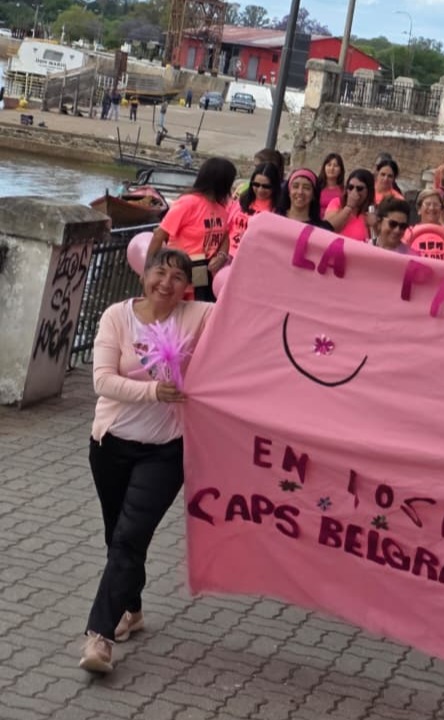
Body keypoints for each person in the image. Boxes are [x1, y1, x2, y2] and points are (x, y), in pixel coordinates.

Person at [79, 248, 215, 674]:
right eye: (160, 272)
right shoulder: (117, 318)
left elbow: (244, 309)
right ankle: (131, 610)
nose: (167, 283)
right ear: (144, 275)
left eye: (178, 277)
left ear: (186, 286)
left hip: (165, 451)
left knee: (129, 538)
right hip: (111, 445)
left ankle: (99, 639)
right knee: (116, 536)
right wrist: (153, 391)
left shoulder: (196, 316)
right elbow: (102, 380)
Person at [147, 157, 237, 302]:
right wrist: (148, 271)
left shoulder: (222, 209)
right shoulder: (188, 203)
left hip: (202, 275)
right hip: (177, 272)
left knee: (193, 316)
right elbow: (159, 235)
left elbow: (225, 236)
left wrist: (221, 256)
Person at [228, 162, 282, 254]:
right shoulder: (241, 200)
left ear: (275, 186)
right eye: (256, 184)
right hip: (228, 255)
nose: (260, 190)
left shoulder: (278, 210)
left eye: (266, 186)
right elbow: (227, 229)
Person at [323, 168, 376, 242]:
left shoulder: (371, 210)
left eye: (359, 188)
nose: (354, 192)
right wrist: (348, 207)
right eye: (350, 187)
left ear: (369, 191)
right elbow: (328, 228)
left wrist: (374, 226)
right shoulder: (337, 203)